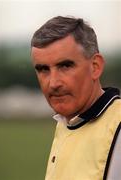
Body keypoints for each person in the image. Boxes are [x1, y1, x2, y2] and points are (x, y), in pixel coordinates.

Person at [31, 16, 121, 180]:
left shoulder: (117, 126)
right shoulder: (66, 123)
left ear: (95, 67)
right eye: (43, 69)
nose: (53, 83)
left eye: (65, 66)